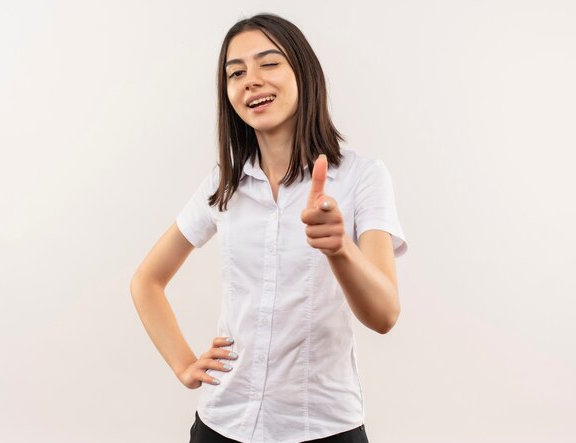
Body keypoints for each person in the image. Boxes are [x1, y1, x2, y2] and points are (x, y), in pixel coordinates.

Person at [130, 13, 407, 443]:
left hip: (323, 428)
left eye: (269, 63)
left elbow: (385, 314)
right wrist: (183, 364)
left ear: (303, 72)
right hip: (222, 424)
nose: (251, 80)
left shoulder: (362, 178)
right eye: (236, 72)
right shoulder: (224, 182)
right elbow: (146, 281)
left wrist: (340, 249)